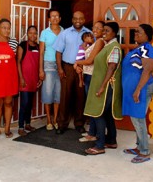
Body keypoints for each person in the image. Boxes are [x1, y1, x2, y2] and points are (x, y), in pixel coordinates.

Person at [84, 22, 123, 155]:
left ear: (114, 33)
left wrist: (102, 87)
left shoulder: (114, 47)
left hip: (106, 87)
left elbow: (111, 68)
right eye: (103, 30)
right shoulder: (108, 46)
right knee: (106, 114)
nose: (104, 32)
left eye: (107, 30)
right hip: (102, 85)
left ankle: (100, 145)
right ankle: (111, 140)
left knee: (98, 114)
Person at [122, 24, 153, 163]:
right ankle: (139, 147)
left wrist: (137, 90)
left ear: (147, 35)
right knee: (136, 117)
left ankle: (144, 152)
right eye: (135, 31)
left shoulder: (148, 49)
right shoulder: (138, 48)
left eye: (139, 32)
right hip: (134, 89)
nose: (136, 33)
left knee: (138, 118)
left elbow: (147, 70)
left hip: (142, 88)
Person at [53, 10, 92, 134]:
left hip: (83, 69)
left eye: (80, 18)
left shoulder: (89, 34)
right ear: (72, 20)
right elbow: (58, 52)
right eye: (75, 18)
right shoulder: (65, 33)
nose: (78, 21)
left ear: (84, 20)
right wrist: (60, 68)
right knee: (65, 96)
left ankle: (79, 123)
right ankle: (62, 124)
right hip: (68, 67)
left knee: (81, 96)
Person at [74, 21, 106, 142]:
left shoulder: (100, 42)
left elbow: (90, 60)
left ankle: (93, 134)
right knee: (90, 105)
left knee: (93, 106)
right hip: (88, 75)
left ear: (104, 30)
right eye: (94, 27)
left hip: (94, 76)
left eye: (99, 27)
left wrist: (76, 63)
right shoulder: (93, 42)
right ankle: (92, 132)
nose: (96, 29)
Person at [39, 8, 63, 131]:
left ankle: (55, 119)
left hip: (60, 65)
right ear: (49, 19)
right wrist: (40, 69)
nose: (54, 18)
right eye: (52, 16)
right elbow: (41, 52)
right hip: (48, 64)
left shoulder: (63, 31)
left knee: (57, 93)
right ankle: (48, 119)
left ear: (60, 18)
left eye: (57, 16)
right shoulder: (45, 32)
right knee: (48, 92)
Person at [17, 25, 41, 136]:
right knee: (24, 103)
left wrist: (39, 78)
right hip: (24, 80)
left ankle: (28, 124)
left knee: (30, 104)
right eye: (30, 33)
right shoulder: (22, 45)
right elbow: (18, 62)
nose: (33, 35)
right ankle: (21, 127)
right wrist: (21, 78)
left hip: (34, 79)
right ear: (27, 34)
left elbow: (39, 64)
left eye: (35, 33)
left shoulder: (38, 46)